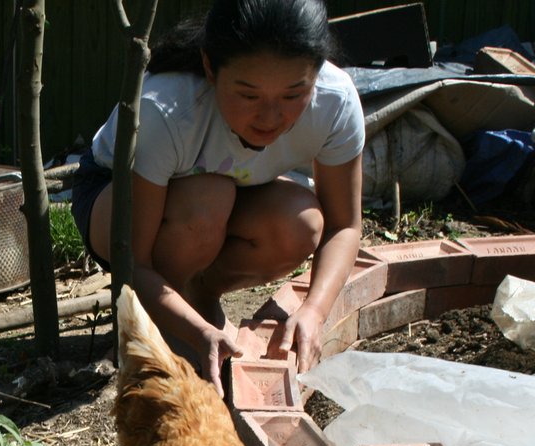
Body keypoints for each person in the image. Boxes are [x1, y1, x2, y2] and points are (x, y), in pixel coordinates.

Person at [71, 0, 365, 395]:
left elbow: (344, 225)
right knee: (207, 199)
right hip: (113, 199)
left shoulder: (335, 100)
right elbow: (133, 262)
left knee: (301, 222)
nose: (270, 117)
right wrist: (197, 332)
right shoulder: (166, 110)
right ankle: (156, 325)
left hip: (229, 193)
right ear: (211, 68)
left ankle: (200, 294)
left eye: (293, 95)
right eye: (248, 96)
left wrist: (314, 311)